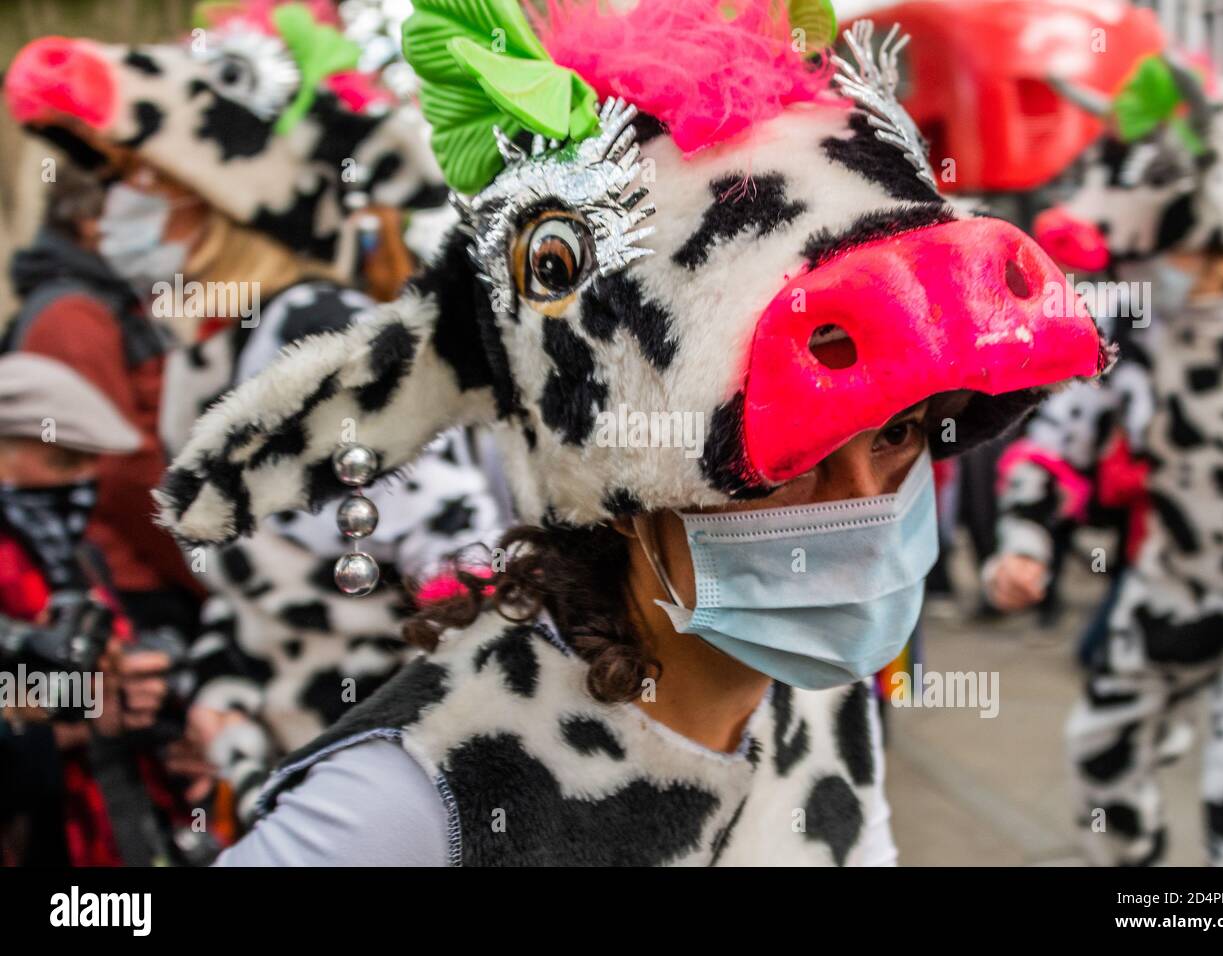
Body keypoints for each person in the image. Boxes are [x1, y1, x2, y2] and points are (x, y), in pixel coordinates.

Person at [156, 0, 1108, 866]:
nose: (864, 507)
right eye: (791, 460)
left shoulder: (823, 701)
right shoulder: (420, 795)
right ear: (618, 485)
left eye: (897, 435)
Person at [4, 0, 503, 827]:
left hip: (374, 789)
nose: (120, 203)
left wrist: (398, 778)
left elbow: (465, 567)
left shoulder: (312, 330)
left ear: (231, 198)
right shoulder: (204, 354)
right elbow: (242, 599)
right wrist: (221, 705)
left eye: (149, 179)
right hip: (287, 778)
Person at [987, 52, 1223, 864]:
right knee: (1104, 762)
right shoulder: (1132, 327)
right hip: (1171, 585)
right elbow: (1059, 440)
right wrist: (1024, 541)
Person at [5, 161, 204, 645]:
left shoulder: (113, 303)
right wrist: (199, 569)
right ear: (92, 222)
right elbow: (119, 472)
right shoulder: (74, 316)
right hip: (133, 582)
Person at [0, 354, 180, 866]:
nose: (81, 481)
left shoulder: (82, 557)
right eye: (62, 461)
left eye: (88, 463)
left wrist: (153, 699)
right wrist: (65, 718)